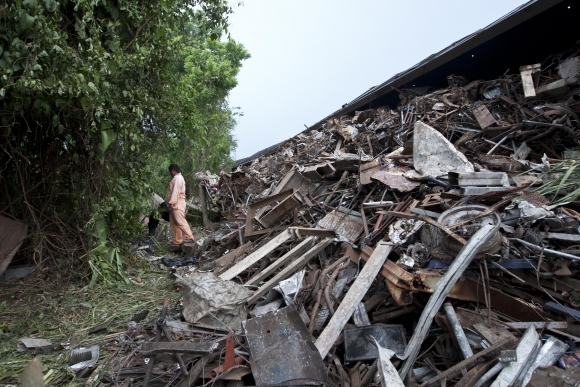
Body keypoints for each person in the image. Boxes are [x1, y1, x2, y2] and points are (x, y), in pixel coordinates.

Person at [166, 164, 195, 245]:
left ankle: (190, 236)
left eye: (170, 172)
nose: (170, 174)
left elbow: (176, 191)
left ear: (173, 171)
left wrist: (171, 203)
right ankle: (177, 240)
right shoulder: (178, 178)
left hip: (177, 203)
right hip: (176, 202)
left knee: (180, 221)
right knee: (174, 223)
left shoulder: (177, 178)